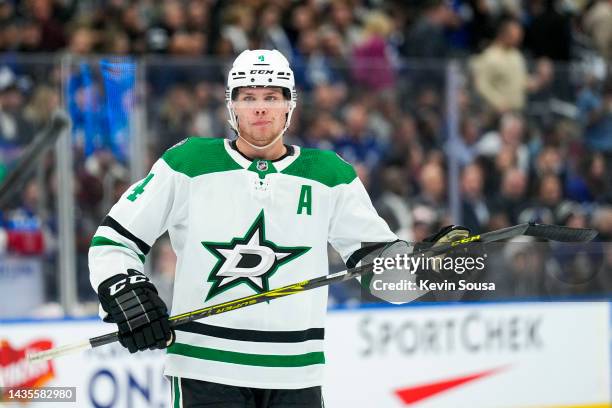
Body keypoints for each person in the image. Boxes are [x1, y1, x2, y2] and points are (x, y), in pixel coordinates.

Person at [88, 49, 470, 407]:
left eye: (272, 97)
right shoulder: (187, 163)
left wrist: (427, 270)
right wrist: (124, 290)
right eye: (248, 97)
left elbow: (377, 269)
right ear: (231, 104)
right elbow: (113, 241)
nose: (259, 109)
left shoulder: (330, 174)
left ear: (290, 105)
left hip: (295, 376)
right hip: (204, 370)